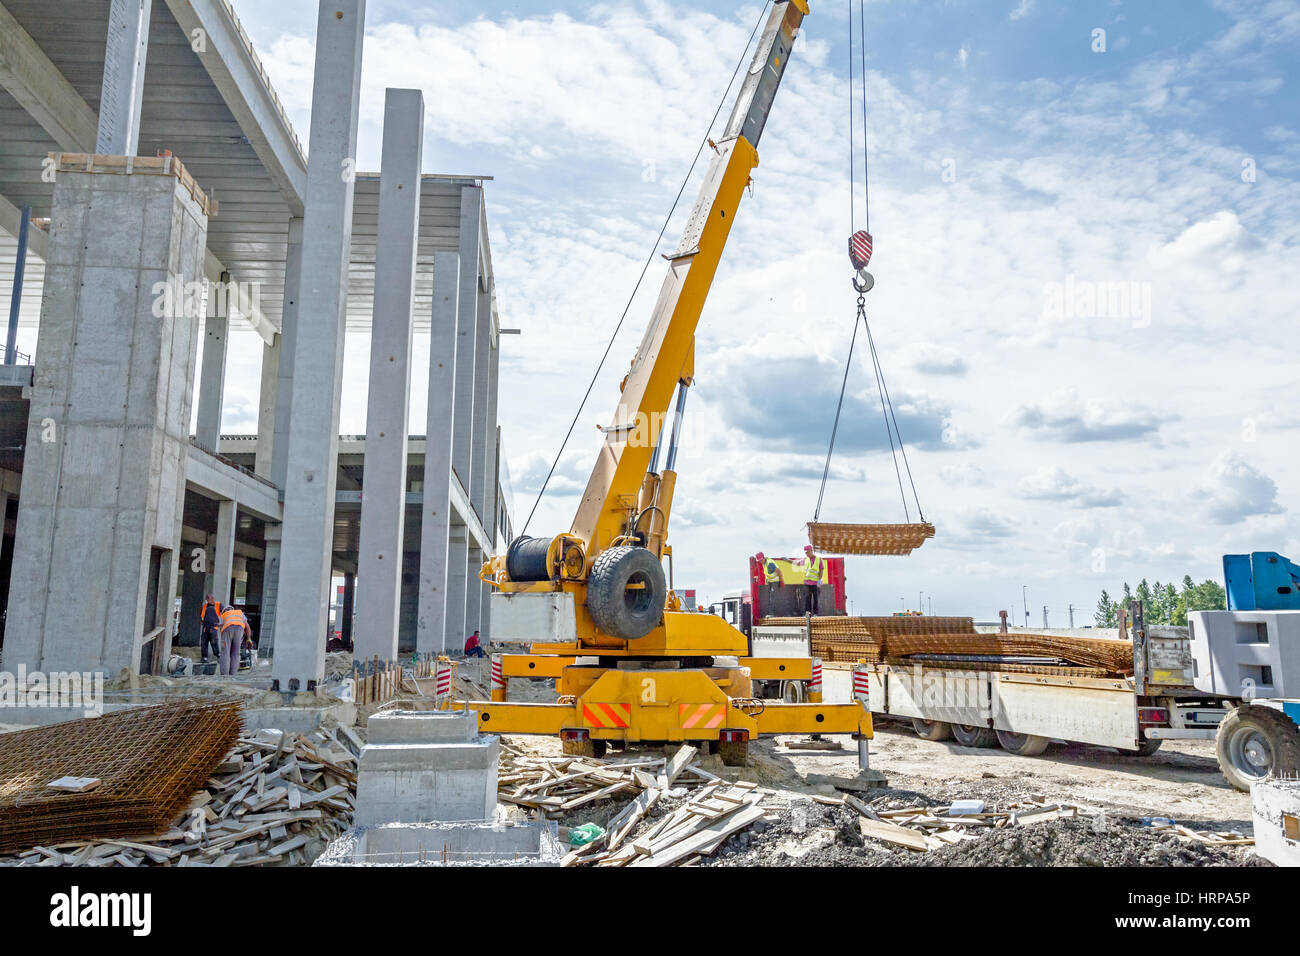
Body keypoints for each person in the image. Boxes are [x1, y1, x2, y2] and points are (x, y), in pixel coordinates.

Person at [217, 604, 251, 676]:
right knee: (235, 653)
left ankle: (224, 674)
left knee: (225, 652)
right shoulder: (240, 613)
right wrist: (248, 639)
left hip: (227, 629)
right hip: (240, 629)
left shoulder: (223, 615)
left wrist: (224, 643)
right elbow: (247, 626)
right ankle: (233, 674)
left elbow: (221, 628)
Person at [199, 594, 223, 663]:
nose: (208, 600)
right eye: (207, 599)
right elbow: (202, 616)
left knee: (214, 642)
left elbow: (224, 614)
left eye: (209, 598)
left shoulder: (219, 605)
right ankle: (204, 658)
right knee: (204, 643)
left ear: (213, 598)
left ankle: (218, 655)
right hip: (205, 627)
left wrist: (220, 624)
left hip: (213, 627)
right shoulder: (204, 606)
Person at [802, 545, 824, 616]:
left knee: (815, 598)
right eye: (805, 553)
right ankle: (807, 613)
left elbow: (821, 570)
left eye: (807, 552)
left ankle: (816, 613)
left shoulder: (818, 559)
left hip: (815, 583)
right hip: (807, 582)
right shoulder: (806, 559)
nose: (806, 554)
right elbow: (798, 563)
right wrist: (788, 561)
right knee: (807, 598)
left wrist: (820, 580)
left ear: (811, 551)